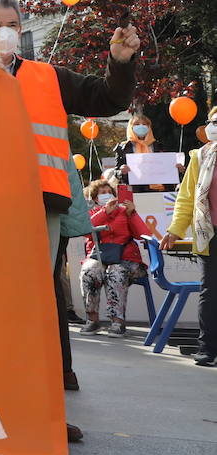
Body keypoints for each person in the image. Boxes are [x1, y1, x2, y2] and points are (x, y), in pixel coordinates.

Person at [0, 0, 139, 442]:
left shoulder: (48, 77)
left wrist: (120, 60)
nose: (6, 31)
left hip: (41, 205)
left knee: (36, 304)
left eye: (13, 23)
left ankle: (44, 406)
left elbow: (107, 97)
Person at [161, 105, 217, 366]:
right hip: (210, 233)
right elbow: (186, 198)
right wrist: (175, 230)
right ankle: (207, 348)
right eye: (213, 121)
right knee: (211, 291)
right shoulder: (201, 156)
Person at [77, 180, 150, 337]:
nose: (106, 195)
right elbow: (86, 231)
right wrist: (105, 212)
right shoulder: (93, 214)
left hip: (127, 260)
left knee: (115, 273)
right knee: (89, 272)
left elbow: (143, 234)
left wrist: (133, 213)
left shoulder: (125, 211)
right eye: (102, 193)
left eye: (108, 191)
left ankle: (118, 322)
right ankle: (92, 320)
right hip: (100, 258)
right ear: (95, 198)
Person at [113, 111, 175, 192]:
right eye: (137, 124)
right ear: (131, 127)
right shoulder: (123, 148)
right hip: (133, 190)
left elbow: (167, 168)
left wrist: (176, 169)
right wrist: (121, 171)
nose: (141, 126)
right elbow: (116, 172)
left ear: (149, 127)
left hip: (156, 191)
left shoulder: (159, 146)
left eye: (144, 124)